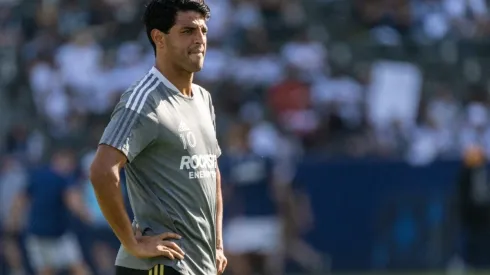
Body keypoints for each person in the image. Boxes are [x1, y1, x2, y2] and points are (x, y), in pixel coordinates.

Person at [89, 1, 227, 275]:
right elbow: (102, 171)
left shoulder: (203, 98)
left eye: (203, 31)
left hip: (198, 264)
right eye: (187, 31)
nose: (200, 40)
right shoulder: (144, 100)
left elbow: (211, 173)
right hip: (160, 266)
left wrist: (217, 244)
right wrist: (131, 242)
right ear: (158, 38)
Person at [220, 122, 291, 275]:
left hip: (246, 219)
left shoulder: (232, 163)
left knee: (233, 258)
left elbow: (225, 194)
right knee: (269, 266)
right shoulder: (266, 160)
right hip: (267, 218)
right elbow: (280, 192)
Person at [6, 149, 90, 275]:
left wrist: (13, 218)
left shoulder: (37, 174)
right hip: (55, 235)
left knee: (47, 270)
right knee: (76, 267)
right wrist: (86, 215)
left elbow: (20, 199)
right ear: (58, 158)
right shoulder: (64, 178)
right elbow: (73, 201)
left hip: (41, 233)